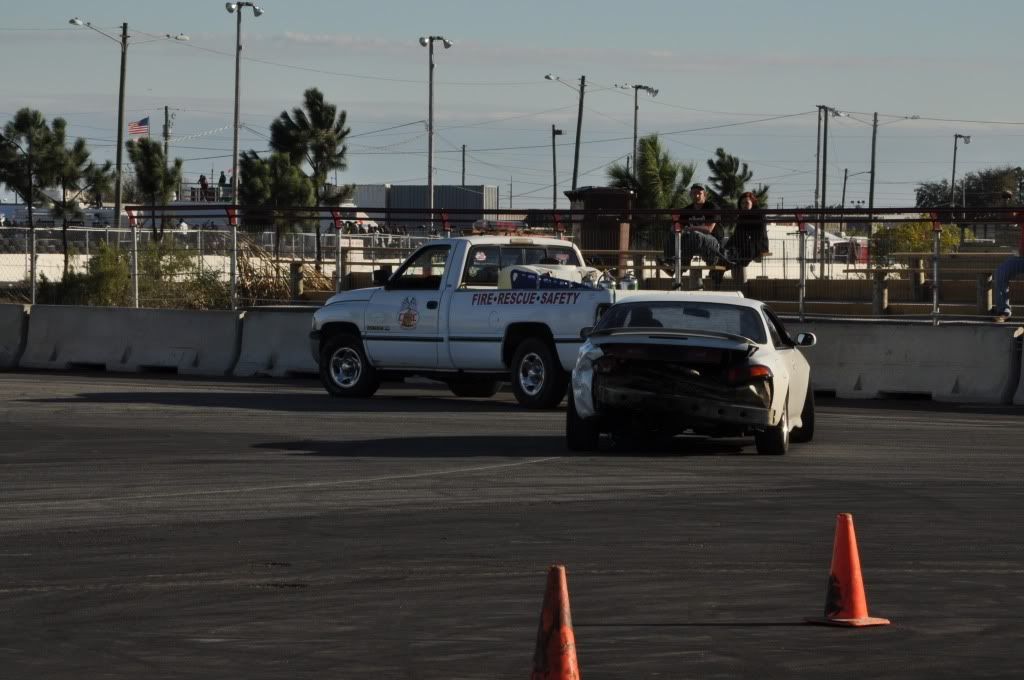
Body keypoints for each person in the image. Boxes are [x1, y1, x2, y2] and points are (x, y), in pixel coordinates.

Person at [660, 184, 731, 281]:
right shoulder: (687, 210)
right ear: (690, 195)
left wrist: (690, 228)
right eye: (693, 193)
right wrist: (675, 228)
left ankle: (680, 267)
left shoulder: (712, 207)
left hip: (712, 243)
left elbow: (708, 230)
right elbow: (679, 228)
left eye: (699, 193)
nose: (696, 195)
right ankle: (670, 263)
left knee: (696, 235)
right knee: (671, 235)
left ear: (704, 195)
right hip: (692, 242)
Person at [726, 191, 770, 285]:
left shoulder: (759, 214)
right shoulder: (741, 216)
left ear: (752, 202)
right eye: (742, 203)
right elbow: (737, 234)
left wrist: (746, 238)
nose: (744, 205)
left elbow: (759, 235)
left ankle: (739, 283)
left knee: (740, 257)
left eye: (746, 203)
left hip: (758, 243)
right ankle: (723, 258)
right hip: (744, 243)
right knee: (731, 247)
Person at [992, 212, 1024, 322]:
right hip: (1022, 258)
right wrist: (1009, 208)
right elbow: (1009, 217)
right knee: (1002, 271)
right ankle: (1004, 310)